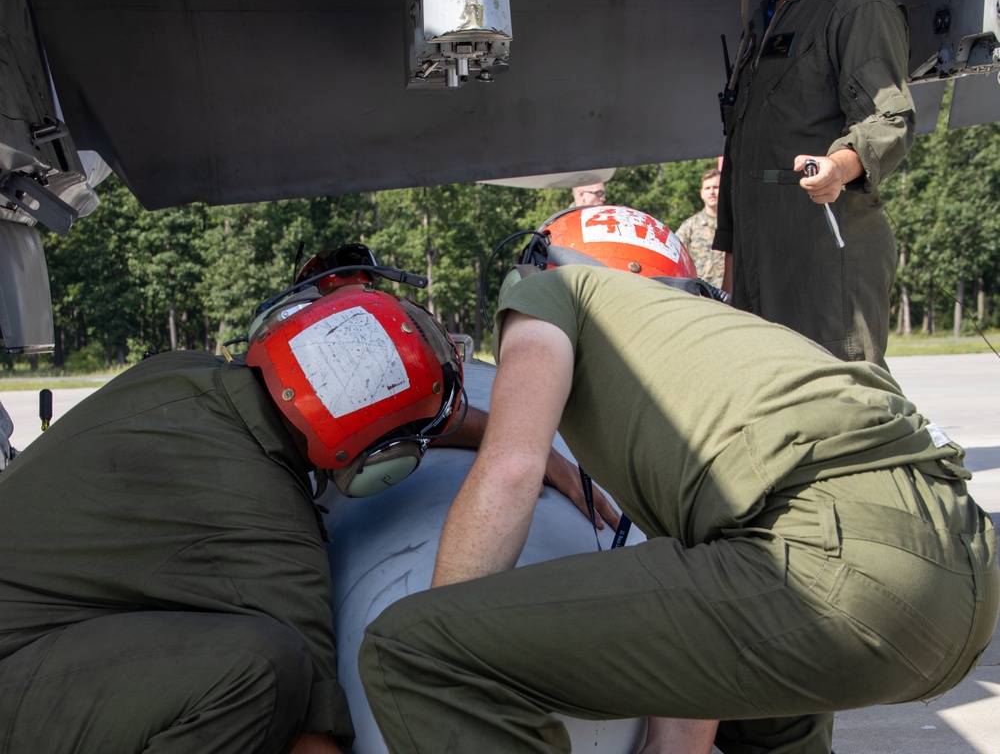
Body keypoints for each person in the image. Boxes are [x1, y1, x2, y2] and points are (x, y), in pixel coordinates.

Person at [359, 255, 998, 754]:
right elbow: (706, 599)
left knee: (414, 650)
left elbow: (511, 468)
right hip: (961, 582)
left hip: (836, 569)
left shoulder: (549, 294)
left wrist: (450, 627)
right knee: (769, 718)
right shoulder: (707, 342)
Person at [0, 244, 613, 754]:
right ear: (383, 463)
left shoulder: (173, 372)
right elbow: (314, 742)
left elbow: (333, 411)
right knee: (264, 669)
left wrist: (520, 444)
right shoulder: (275, 540)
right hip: (17, 686)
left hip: (36, 641)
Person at [714, 0, 916, 369]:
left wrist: (840, 165)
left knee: (843, 414)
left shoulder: (857, 5)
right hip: (761, 268)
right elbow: (744, 154)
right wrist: (733, 279)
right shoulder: (765, 20)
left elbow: (889, 117)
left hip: (825, 263)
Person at [675, 166, 725, 288]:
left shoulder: (735, 226)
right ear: (702, 193)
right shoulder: (690, 226)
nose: (712, 192)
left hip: (731, 297)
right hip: (701, 296)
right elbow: (675, 256)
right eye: (707, 188)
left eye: (716, 187)